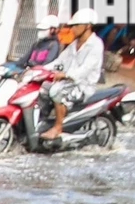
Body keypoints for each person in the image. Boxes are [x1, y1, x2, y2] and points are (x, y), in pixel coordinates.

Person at [41, 9, 104, 139]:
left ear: (88, 26)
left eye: (76, 25)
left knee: (56, 91)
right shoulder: (74, 44)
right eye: (73, 26)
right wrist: (41, 69)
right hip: (69, 83)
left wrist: (65, 75)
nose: (73, 29)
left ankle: (58, 127)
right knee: (41, 88)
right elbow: (59, 61)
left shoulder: (96, 45)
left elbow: (85, 69)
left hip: (83, 86)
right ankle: (44, 120)